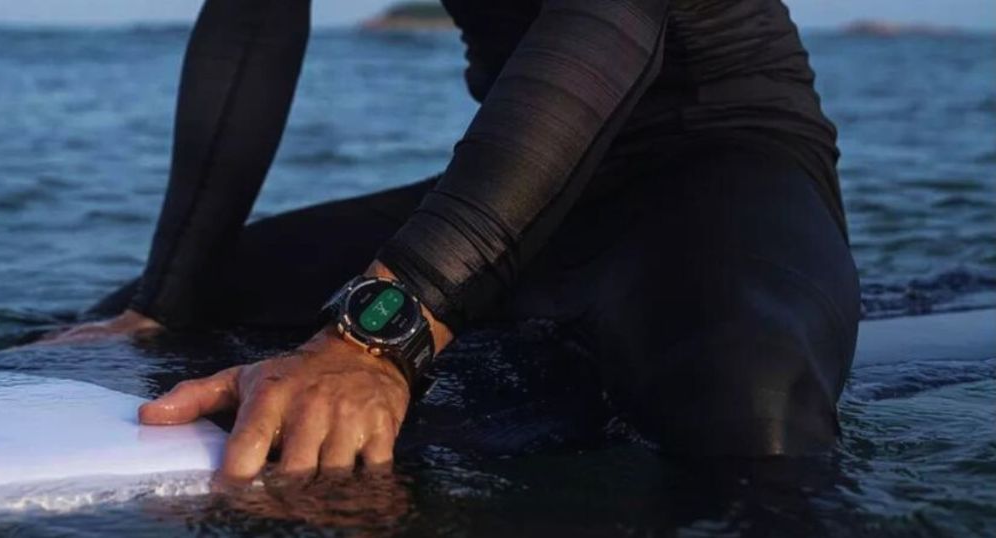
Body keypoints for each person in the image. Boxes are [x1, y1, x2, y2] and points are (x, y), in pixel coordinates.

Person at [45, 0, 861, 479]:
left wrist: (375, 342)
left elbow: (609, 14)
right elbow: (254, 25)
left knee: (750, 420)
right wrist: (167, 298)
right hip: (534, 188)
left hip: (713, 155)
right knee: (160, 316)